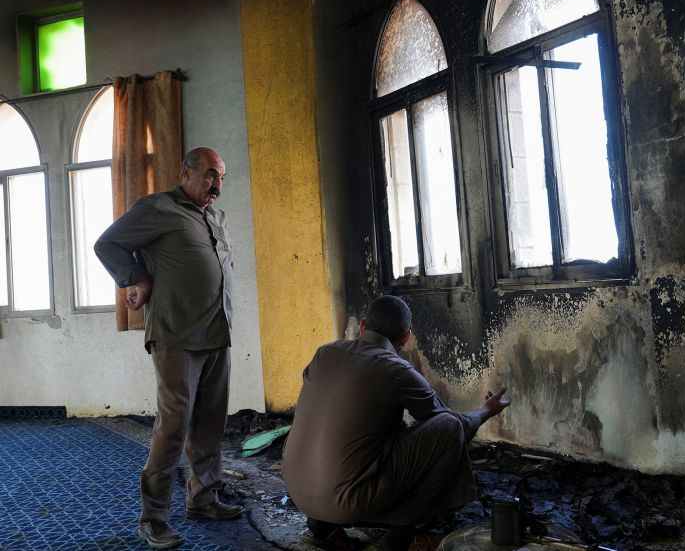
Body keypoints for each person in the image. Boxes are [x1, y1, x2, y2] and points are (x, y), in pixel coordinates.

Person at [95, 146, 242, 549]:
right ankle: (154, 517)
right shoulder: (158, 208)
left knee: (210, 422)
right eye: (210, 174)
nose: (217, 183)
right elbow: (108, 244)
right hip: (177, 335)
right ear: (186, 173)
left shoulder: (215, 216)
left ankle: (203, 498)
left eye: (221, 176)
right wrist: (137, 277)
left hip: (217, 333)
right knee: (173, 426)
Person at [282, 295, 512, 551]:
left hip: (297, 492)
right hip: (347, 502)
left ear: (362, 326)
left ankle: (322, 525)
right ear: (406, 338)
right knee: (449, 428)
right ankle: (400, 538)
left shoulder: (324, 353)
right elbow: (452, 424)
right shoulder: (395, 369)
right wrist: (486, 411)